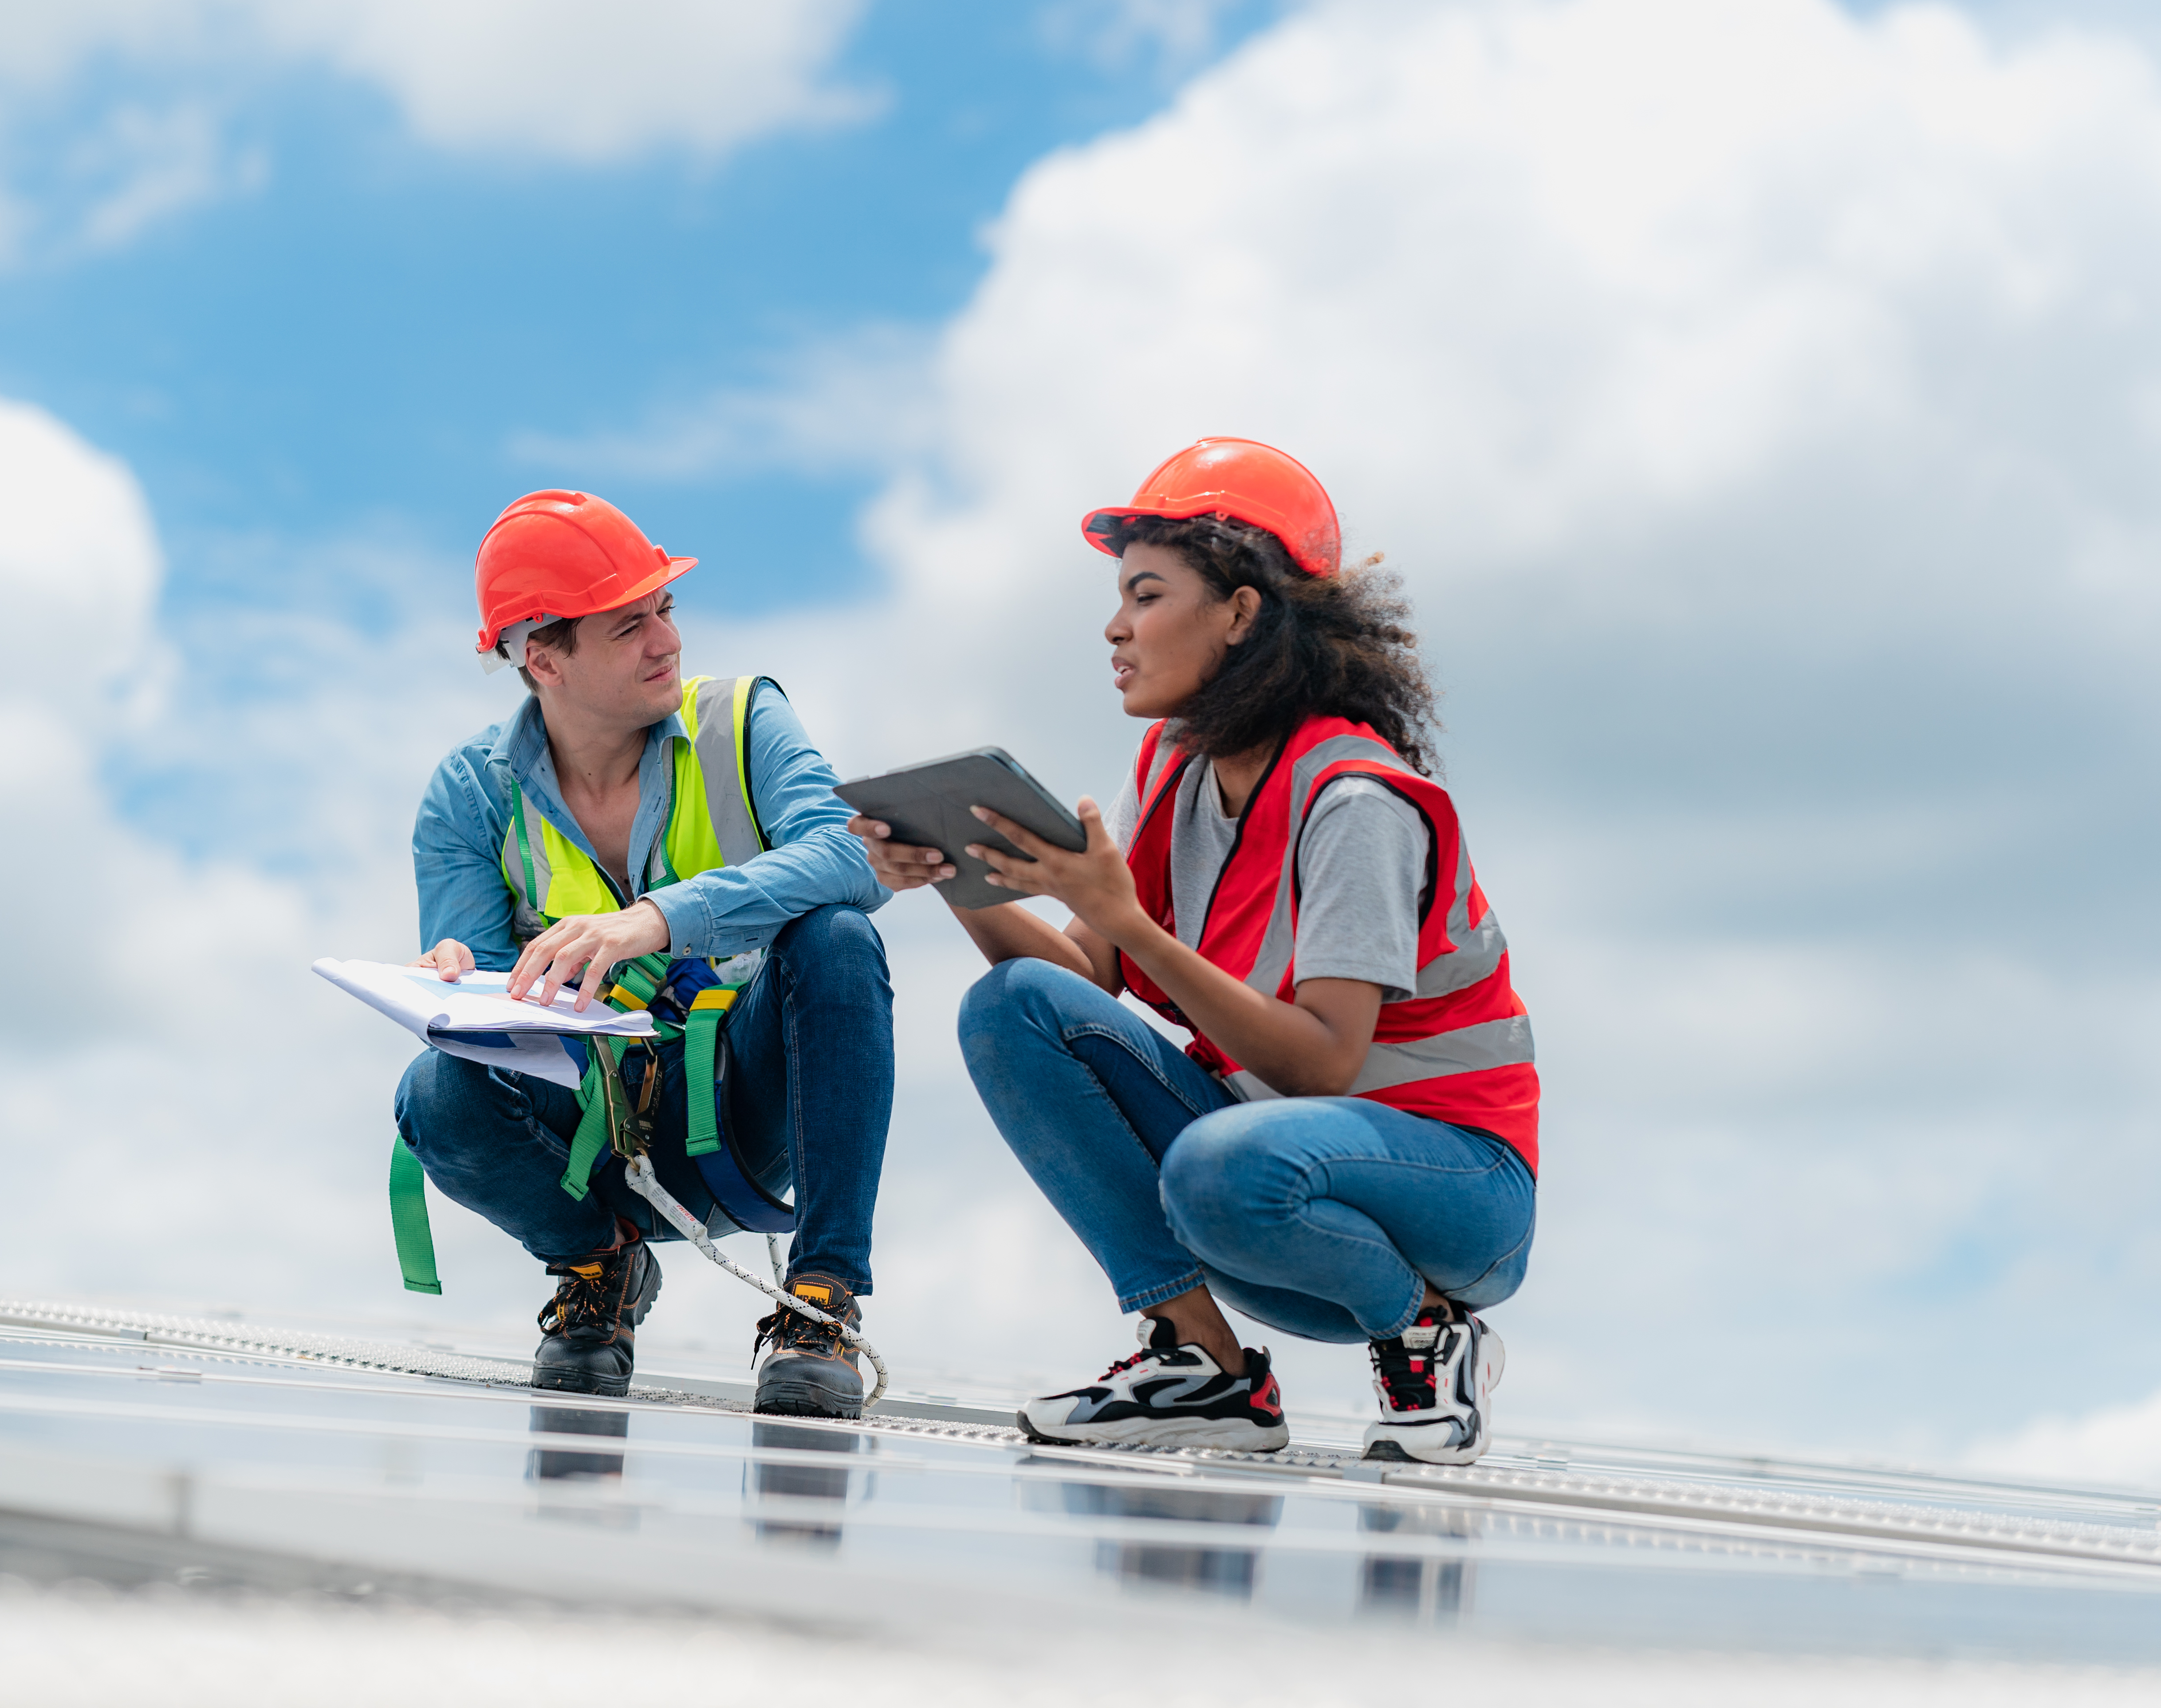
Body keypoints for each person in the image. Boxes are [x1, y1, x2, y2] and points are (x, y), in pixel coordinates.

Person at [851, 439, 1538, 1464]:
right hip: (1260, 1184)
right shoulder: (1178, 763)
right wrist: (954, 871)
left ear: (1241, 612)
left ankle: (1428, 1331)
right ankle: (1200, 1360)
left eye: (1146, 593)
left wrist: (1126, 918)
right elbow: (1079, 983)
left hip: (1449, 1195)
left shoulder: (1355, 798)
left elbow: (1321, 1063)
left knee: (1222, 1161)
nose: (1114, 626)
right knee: (1012, 1005)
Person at [398, 489, 896, 1418]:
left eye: (665, 609)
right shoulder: (471, 796)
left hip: (749, 1109)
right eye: (630, 625)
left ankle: (821, 1303)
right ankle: (599, 1270)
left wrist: (659, 919)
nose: (667, 640)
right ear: (542, 657)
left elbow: (852, 855)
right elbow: (499, 1026)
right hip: (592, 1138)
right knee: (437, 1084)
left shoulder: (743, 721)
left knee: (837, 935)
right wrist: (461, 979)